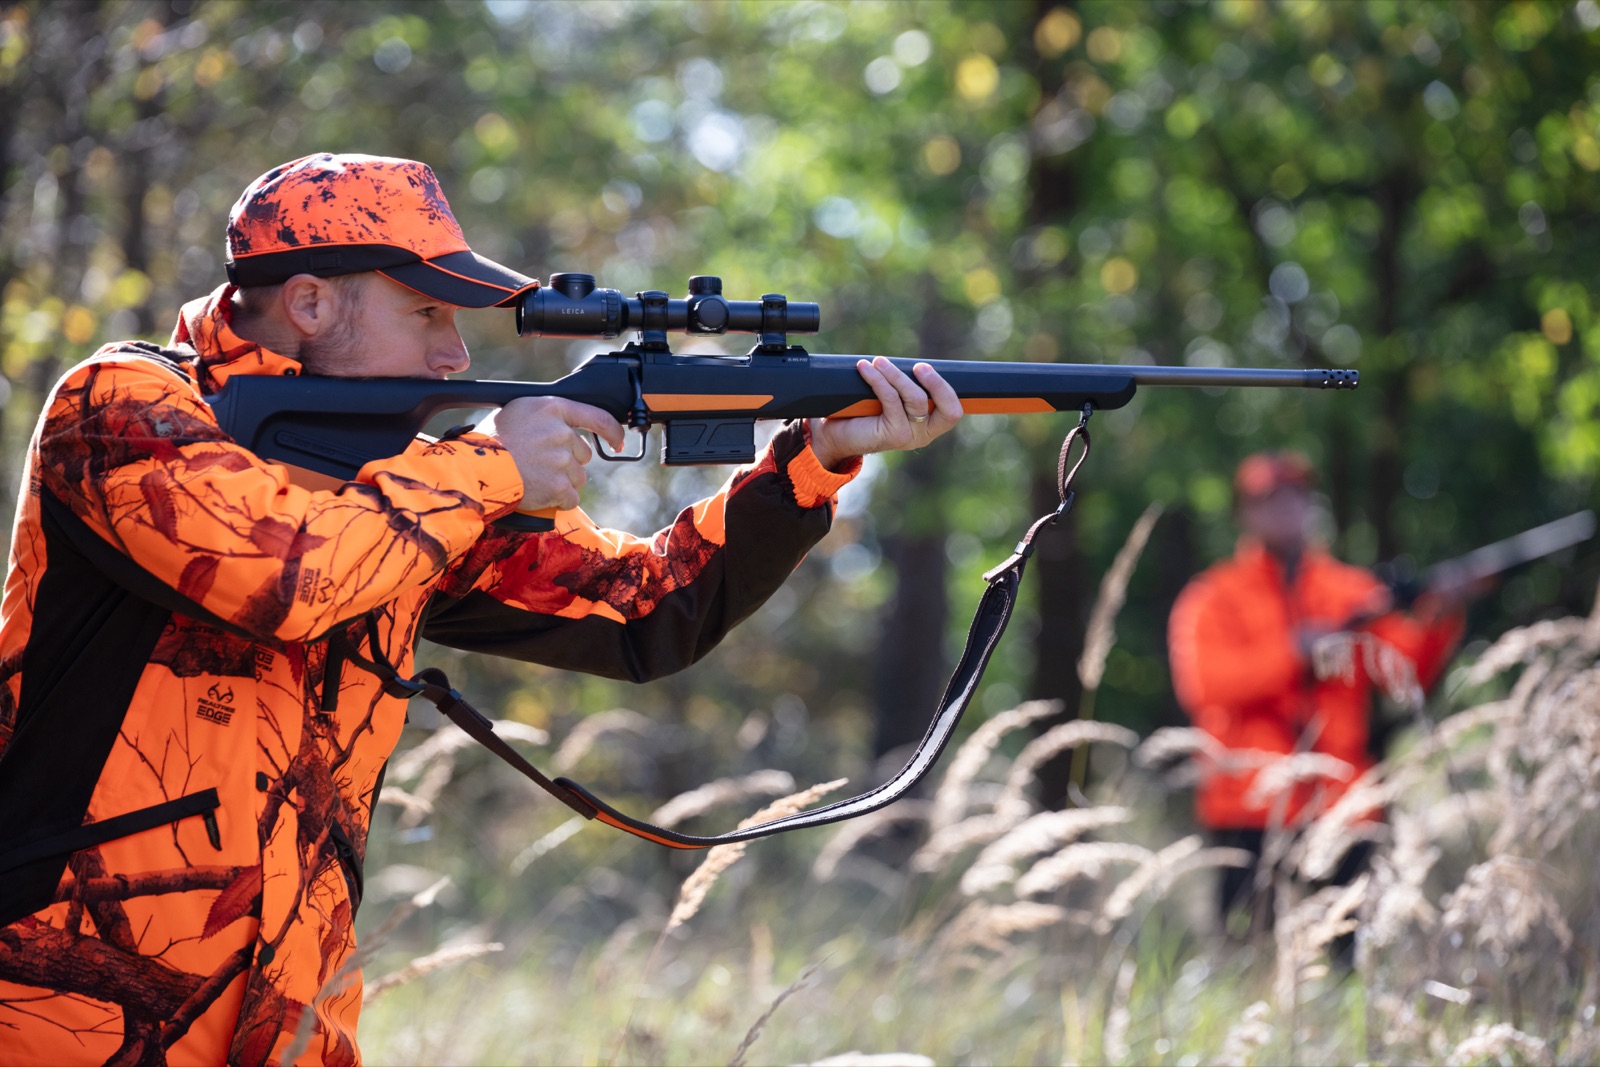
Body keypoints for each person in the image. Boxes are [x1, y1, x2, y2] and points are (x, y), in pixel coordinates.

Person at [0, 153, 963, 1066]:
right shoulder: (120, 408)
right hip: (61, 1023)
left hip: (289, 1031)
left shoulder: (408, 484)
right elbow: (282, 576)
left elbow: (646, 611)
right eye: (426, 313)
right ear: (308, 302)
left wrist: (813, 460)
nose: (456, 355)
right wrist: (492, 464)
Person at [1167, 450, 1464, 936]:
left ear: (1312, 505)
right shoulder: (1212, 597)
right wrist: (1295, 652)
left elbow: (1405, 675)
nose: (1284, 510)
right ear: (1246, 512)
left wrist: (1441, 616)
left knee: (1345, 961)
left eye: (1295, 498)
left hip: (1343, 804)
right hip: (1248, 809)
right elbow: (1205, 685)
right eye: (1268, 500)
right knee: (1248, 961)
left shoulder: (1352, 591)